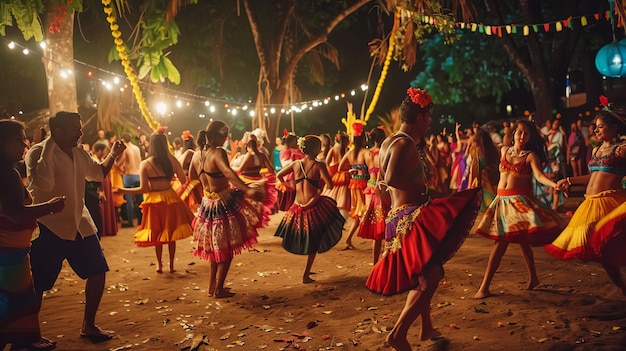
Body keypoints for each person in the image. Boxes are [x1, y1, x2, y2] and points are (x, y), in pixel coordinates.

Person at [365, 88, 482, 351]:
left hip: (400, 216)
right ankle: (398, 333)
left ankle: (425, 326)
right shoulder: (404, 143)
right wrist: (427, 194)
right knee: (431, 276)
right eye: (428, 117)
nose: (429, 123)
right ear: (420, 117)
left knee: (425, 275)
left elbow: (386, 185)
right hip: (408, 217)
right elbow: (391, 179)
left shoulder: (391, 141)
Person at [25, 111, 125, 343]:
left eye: (80, 128)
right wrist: (50, 144)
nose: (81, 132)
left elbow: (98, 173)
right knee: (38, 283)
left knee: (98, 270)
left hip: (81, 224)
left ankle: (88, 325)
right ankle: (30, 335)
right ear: (57, 132)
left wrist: (113, 154)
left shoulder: (79, 153)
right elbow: (44, 183)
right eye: (75, 129)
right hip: (49, 226)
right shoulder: (37, 152)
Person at [472, 120, 564, 299]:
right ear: (514, 133)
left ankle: (484, 287)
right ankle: (534, 278)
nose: (522, 136)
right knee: (521, 241)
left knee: (500, 242)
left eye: (526, 134)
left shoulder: (530, 156)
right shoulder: (504, 150)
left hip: (518, 203)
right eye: (519, 132)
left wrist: (554, 184)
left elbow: (539, 176)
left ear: (530, 138)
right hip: (501, 201)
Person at [546, 103, 626, 295]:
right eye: (595, 127)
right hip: (590, 204)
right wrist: (569, 180)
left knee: (609, 244)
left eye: (600, 126)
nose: (596, 130)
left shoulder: (622, 149)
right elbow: (592, 177)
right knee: (598, 250)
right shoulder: (597, 149)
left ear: (614, 127)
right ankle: (623, 288)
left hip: (611, 204)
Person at [0, 119, 65, 351]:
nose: (24, 144)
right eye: (18, 139)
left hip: (12, 252)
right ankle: (24, 341)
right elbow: (16, 214)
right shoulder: (7, 174)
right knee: (16, 300)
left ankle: (26, 339)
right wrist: (50, 206)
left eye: (24, 139)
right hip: (8, 255)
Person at [190, 120, 265, 298]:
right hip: (222, 203)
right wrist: (247, 190)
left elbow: (192, 178)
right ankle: (219, 289)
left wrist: (203, 193)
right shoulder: (218, 152)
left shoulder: (196, 155)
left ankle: (212, 287)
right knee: (226, 248)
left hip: (207, 204)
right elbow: (229, 173)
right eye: (224, 136)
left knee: (216, 247)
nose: (225, 140)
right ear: (217, 135)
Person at [117, 131, 194, 274]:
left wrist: (123, 190)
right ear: (165, 145)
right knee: (171, 234)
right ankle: (171, 265)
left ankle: (159, 265)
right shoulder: (171, 160)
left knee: (157, 233)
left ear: (151, 145)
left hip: (153, 201)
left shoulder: (145, 163)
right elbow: (184, 180)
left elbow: (143, 188)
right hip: (171, 198)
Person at [274, 135, 345, 283]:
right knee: (315, 238)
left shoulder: (296, 164)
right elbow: (330, 185)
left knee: (308, 237)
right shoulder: (319, 165)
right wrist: (319, 189)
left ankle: (307, 271)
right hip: (313, 205)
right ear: (317, 149)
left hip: (297, 206)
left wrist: (289, 186)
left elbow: (279, 175)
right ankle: (306, 274)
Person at [356, 126, 389, 265]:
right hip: (382, 188)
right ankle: (386, 262)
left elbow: (359, 170)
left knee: (377, 228)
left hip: (370, 187)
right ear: (383, 138)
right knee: (388, 225)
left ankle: (375, 263)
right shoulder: (385, 152)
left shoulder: (367, 153)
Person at [231, 137, 277, 227]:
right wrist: (260, 171)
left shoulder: (249, 155)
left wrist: (230, 168)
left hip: (246, 182)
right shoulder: (262, 155)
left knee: (243, 204)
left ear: (247, 147)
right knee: (257, 205)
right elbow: (271, 170)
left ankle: (247, 223)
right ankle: (256, 222)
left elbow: (240, 170)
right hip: (259, 182)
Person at [338, 123, 368, 250]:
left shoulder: (350, 153)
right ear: (363, 139)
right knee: (365, 212)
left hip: (354, 185)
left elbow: (340, 168)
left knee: (359, 213)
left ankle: (348, 238)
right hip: (365, 185)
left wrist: (350, 171)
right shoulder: (365, 152)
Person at [116, 133, 143, 227]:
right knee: (140, 200)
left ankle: (130, 222)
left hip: (128, 176)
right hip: (138, 175)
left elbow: (120, 163)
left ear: (123, 140)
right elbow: (140, 161)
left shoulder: (125, 149)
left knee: (129, 201)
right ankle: (141, 220)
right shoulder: (136, 148)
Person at [321, 131, 351, 218]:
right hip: (346, 174)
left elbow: (327, 162)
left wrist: (330, 171)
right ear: (346, 141)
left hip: (336, 175)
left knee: (332, 195)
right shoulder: (347, 150)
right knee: (344, 197)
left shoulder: (333, 149)